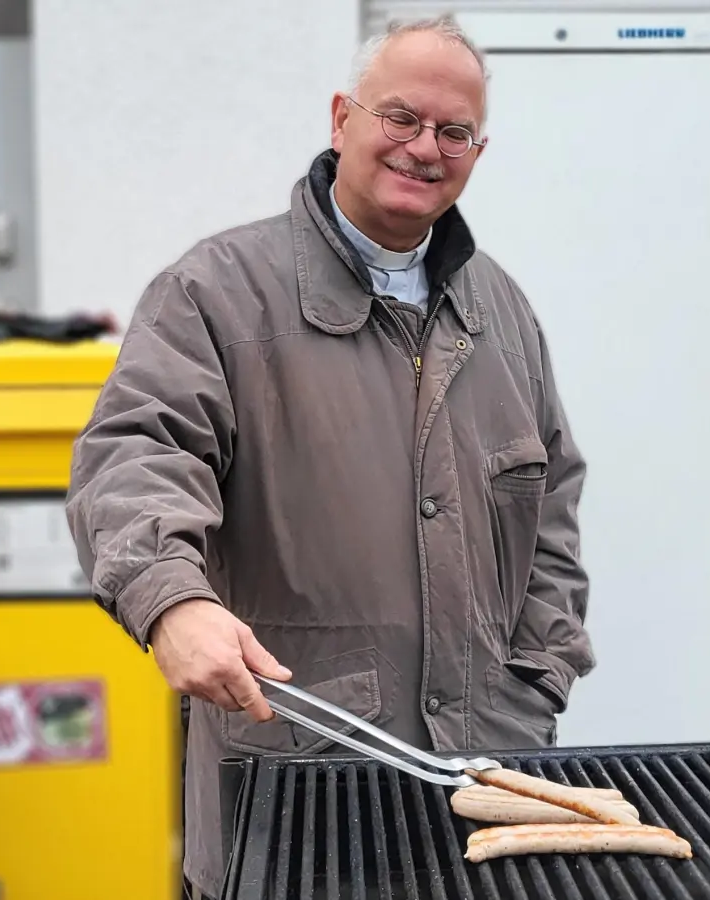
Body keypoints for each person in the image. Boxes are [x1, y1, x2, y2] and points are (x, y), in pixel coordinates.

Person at [65, 15, 594, 899]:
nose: (425, 147)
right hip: (291, 798)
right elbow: (136, 451)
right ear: (342, 118)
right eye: (400, 118)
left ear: (477, 149)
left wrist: (537, 678)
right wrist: (172, 600)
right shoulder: (216, 294)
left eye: (453, 131)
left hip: (482, 781)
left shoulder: (500, 311)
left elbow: (551, 520)